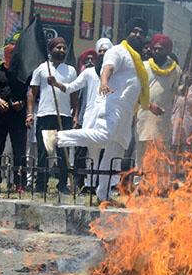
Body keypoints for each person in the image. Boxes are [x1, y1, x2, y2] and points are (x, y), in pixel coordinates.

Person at [57, 25, 146, 202]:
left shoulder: (137, 61)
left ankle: (103, 194)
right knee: (103, 137)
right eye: (134, 31)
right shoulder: (118, 51)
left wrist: (150, 106)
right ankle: (57, 137)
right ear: (126, 33)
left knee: (115, 153)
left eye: (141, 32)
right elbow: (108, 67)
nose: (138, 34)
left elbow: (136, 86)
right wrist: (104, 82)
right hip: (113, 105)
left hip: (127, 113)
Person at [47, 39, 113, 190]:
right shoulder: (88, 73)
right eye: (100, 51)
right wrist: (57, 84)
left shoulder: (115, 73)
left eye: (106, 50)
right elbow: (71, 87)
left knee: (107, 153)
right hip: (91, 117)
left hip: (108, 117)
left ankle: (105, 186)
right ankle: (89, 184)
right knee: (91, 153)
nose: (103, 53)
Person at [26, 37, 78, 194]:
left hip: (64, 117)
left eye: (63, 48)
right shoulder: (42, 69)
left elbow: (74, 95)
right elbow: (32, 93)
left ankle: (62, 185)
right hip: (46, 116)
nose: (61, 50)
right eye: (58, 48)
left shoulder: (71, 70)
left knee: (63, 152)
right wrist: (29, 113)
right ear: (50, 50)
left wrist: (75, 114)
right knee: (45, 151)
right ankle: (41, 185)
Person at [0, 43, 28, 193]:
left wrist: (21, 102)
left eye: (14, 53)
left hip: (18, 114)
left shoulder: (23, 72)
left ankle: (19, 183)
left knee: (19, 150)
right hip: (0, 114)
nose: (11, 56)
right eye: (8, 53)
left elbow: (30, 91)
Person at [137, 34, 182, 159]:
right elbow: (136, 91)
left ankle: (159, 179)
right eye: (155, 48)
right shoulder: (144, 66)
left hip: (163, 118)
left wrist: (185, 86)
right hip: (144, 115)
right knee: (142, 154)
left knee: (161, 157)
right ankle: (138, 179)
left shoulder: (175, 70)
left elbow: (177, 91)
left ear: (168, 50)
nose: (156, 51)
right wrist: (149, 105)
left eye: (160, 49)